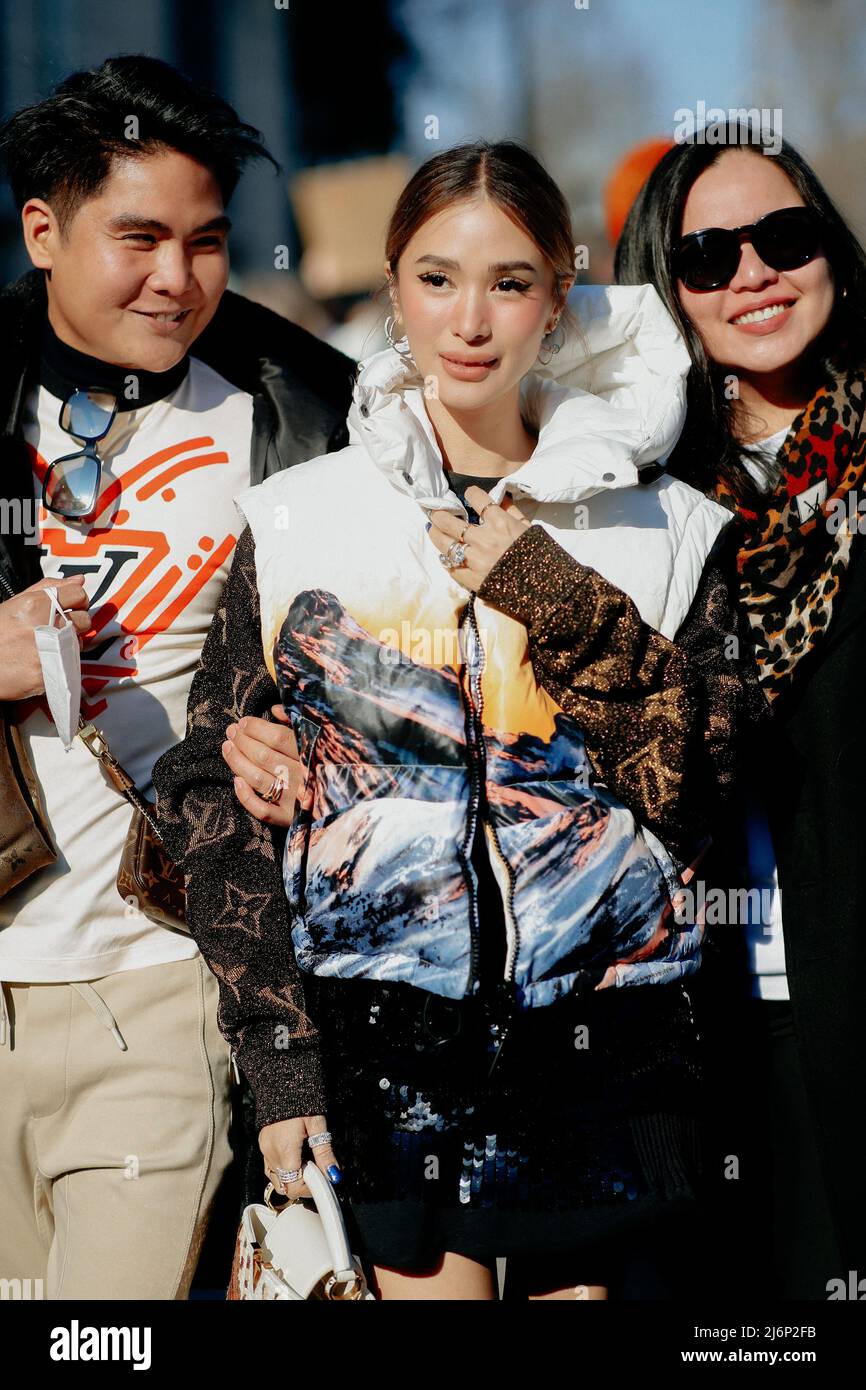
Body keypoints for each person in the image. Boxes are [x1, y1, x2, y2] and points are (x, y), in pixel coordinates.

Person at [153, 140, 742, 1301]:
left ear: (558, 296)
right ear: (392, 288)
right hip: (381, 1065)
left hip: (608, 1064)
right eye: (435, 278)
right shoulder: (297, 518)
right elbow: (204, 794)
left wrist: (555, 595)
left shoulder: (663, 526)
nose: (468, 320)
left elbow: (700, 782)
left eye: (509, 282)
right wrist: (281, 1060)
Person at [0, 54, 353, 1300]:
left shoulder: (299, 407)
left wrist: (298, 739)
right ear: (43, 230)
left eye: (205, 242)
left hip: (154, 980)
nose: (177, 277)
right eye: (137, 237)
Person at [614, 119, 866, 1299]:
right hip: (694, 1029)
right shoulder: (624, 505)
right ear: (662, 290)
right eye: (708, 257)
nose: (752, 273)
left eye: (781, 236)